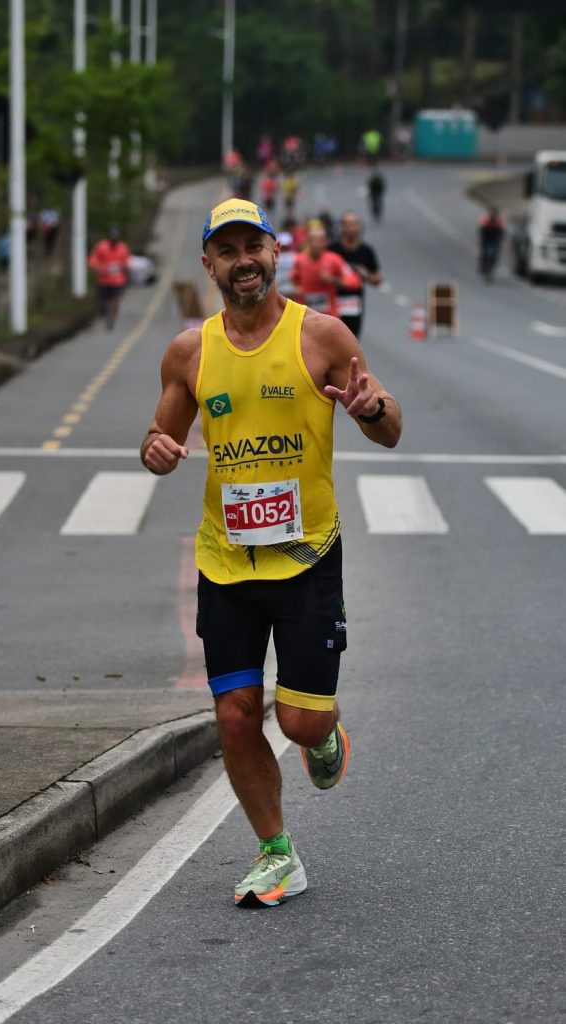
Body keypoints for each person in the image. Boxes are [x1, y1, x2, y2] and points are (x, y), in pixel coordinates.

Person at [139, 198, 402, 906]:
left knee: (298, 719)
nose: (242, 260)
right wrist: (156, 451)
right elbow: (156, 440)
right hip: (225, 561)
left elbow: (389, 428)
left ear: (274, 250)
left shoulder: (321, 337)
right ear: (209, 265)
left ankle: (323, 736)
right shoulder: (190, 352)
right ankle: (276, 853)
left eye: (251, 245)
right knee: (232, 713)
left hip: (307, 556)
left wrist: (372, 411)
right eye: (226, 250)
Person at [329, 211, 382, 340]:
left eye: (355, 224)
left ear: (359, 227)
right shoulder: (332, 249)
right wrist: (335, 280)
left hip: (354, 303)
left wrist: (366, 275)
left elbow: (378, 279)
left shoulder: (366, 251)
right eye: (348, 224)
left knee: (352, 342)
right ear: (342, 227)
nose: (352, 228)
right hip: (332, 302)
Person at [291, 223, 362, 319]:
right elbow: (291, 281)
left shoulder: (335, 260)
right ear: (307, 241)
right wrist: (295, 289)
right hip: (305, 316)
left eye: (320, 241)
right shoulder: (299, 260)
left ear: (326, 242)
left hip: (329, 317)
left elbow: (355, 281)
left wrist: (333, 280)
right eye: (312, 240)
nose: (315, 244)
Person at [88, 226, 131, 329]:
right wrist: (99, 267)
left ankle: (112, 319)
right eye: (112, 237)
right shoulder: (101, 246)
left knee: (115, 301)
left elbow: (126, 261)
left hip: (117, 280)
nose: (114, 240)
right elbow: (93, 259)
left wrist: (123, 267)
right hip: (103, 280)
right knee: (102, 300)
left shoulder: (123, 248)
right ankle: (102, 310)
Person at [478, 207, 504, 281]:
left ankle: (491, 269)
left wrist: (501, 242)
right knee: (484, 253)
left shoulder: (499, 221)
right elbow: (482, 231)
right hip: (486, 238)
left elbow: (501, 233)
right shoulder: (485, 219)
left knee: (494, 255)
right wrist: (481, 240)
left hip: (494, 239)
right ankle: (483, 267)